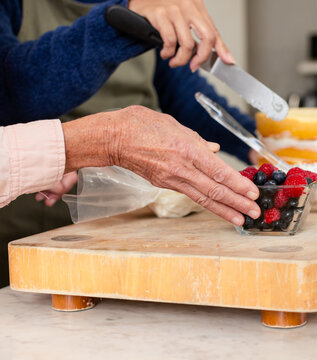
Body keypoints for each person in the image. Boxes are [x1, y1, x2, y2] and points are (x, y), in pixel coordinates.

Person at [0, 0, 259, 286]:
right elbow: (12, 89)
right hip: (36, 233)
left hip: (140, 224)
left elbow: (184, 97)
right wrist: (120, 20)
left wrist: (258, 145)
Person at [1, 106, 260, 220]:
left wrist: (257, 145)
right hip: (32, 210)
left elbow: (182, 94)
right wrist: (95, 142)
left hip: (135, 210)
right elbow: (19, 91)